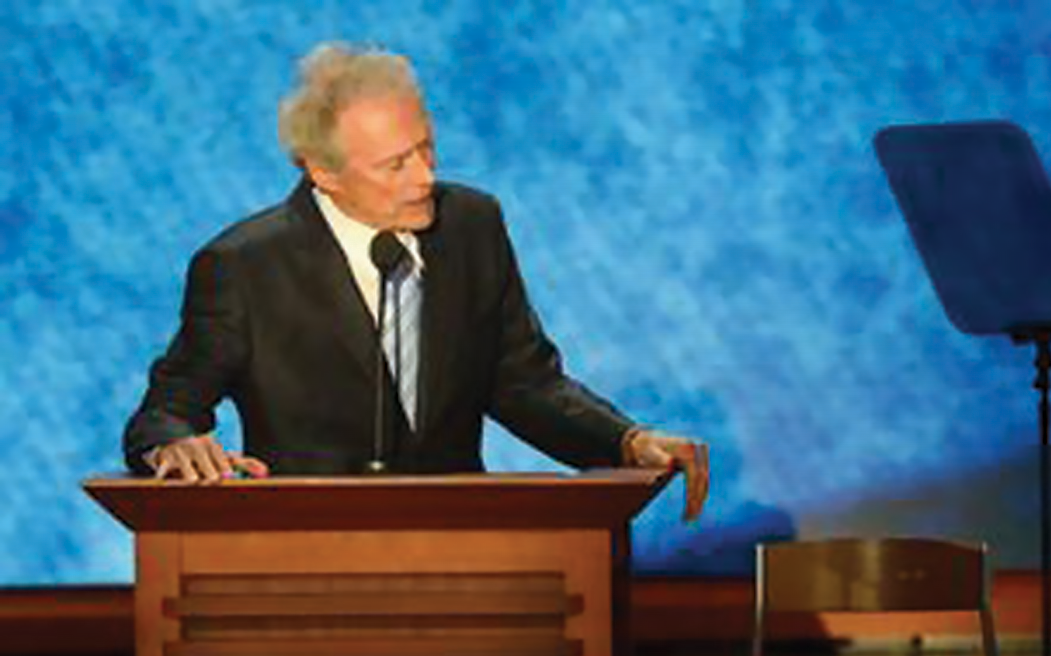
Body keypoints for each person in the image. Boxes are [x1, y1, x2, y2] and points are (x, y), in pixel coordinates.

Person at [124, 42, 709, 520]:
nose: (426, 177)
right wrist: (171, 443)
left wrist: (626, 441)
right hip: (305, 558)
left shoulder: (472, 227)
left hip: (458, 551)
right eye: (395, 164)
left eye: (427, 149)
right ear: (322, 170)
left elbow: (522, 383)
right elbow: (167, 408)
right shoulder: (244, 265)